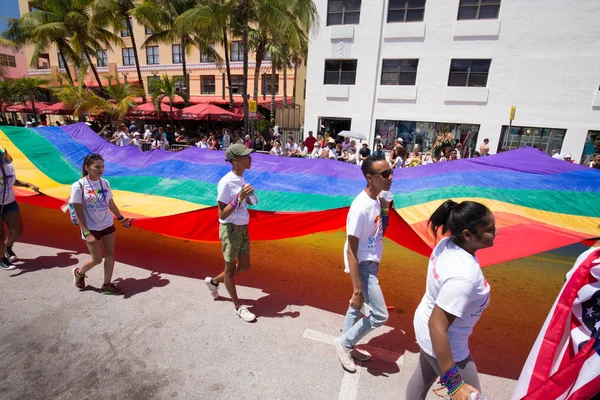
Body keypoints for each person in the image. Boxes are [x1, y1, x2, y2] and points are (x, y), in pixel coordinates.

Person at [406, 200, 496, 400]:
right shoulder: (464, 277)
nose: (495, 232)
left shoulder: (447, 244)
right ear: (467, 235)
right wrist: (455, 386)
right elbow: (437, 326)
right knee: (470, 395)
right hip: (447, 343)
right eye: (490, 229)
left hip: (426, 330)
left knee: (421, 379)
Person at [335, 154, 393, 373]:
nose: (390, 177)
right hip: (363, 263)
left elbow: (378, 233)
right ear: (370, 178)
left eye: (391, 172)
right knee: (380, 314)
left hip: (371, 261)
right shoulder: (360, 207)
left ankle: (347, 345)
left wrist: (386, 208)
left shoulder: (377, 200)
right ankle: (344, 344)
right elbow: (351, 248)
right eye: (384, 174)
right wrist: (357, 287)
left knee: (356, 305)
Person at [204, 144, 257, 323]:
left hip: (243, 227)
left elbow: (244, 203)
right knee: (229, 270)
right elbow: (221, 213)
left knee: (244, 266)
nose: (250, 158)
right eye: (246, 156)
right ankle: (237, 307)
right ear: (235, 161)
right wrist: (240, 198)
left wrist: (248, 197)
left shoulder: (241, 179)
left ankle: (213, 281)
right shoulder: (226, 182)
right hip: (230, 229)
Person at [70, 153, 132, 294]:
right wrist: (86, 232)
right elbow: (78, 212)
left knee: (110, 254)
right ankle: (79, 273)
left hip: (107, 225)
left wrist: (121, 219)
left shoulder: (105, 183)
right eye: (96, 166)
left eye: (102, 166)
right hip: (90, 228)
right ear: (87, 167)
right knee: (97, 259)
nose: (101, 169)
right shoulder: (78, 186)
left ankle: (107, 285)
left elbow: (110, 203)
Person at [0, 148, 39, 271]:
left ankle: (7, 247)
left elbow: (11, 180)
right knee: (0, 234)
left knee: (17, 229)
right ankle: (2, 259)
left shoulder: (9, 166)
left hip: (9, 201)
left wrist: (28, 184)